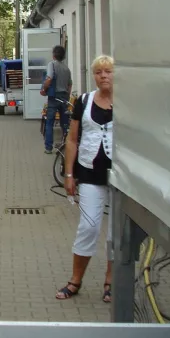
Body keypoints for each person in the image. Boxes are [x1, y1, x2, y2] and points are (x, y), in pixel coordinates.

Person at [56, 54, 114, 303]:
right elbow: (72, 139)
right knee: (89, 227)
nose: (103, 76)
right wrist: (69, 174)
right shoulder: (84, 101)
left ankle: (111, 282)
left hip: (123, 176)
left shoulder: (130, 102)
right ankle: (75, 280)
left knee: (117, 234)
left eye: (108, 71)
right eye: (99, 72)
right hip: (90, 171)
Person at [41, 45, 72, 153]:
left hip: (54, 97)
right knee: (64, 123)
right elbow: (69, 85)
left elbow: (49, 78)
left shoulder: (52, 64)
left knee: (50, 122)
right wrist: (67, 96)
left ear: (54, 55)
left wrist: (44, 89)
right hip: (64, 97)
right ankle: (65, 145)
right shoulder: (66, 69)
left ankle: (48, 148)